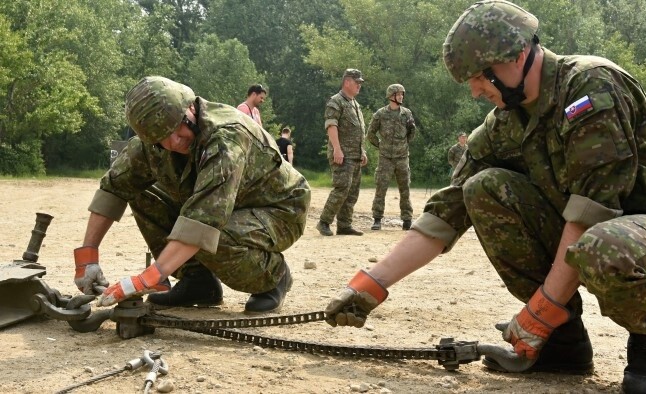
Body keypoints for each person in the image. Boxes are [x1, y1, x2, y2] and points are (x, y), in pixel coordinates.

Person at [323, 1, 646, 393]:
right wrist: (370, 285)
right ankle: (563, 344)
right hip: (602, 239)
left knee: (607, 243)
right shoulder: (508, 118)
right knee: (482, 189)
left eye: (479, 77)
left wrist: (540, 312)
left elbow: (592, 213)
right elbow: (447, 211)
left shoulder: (591, 88)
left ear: (518, 55)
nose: (475, 91)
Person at [73, 76, 310, 315]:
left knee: (213, 237)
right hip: (224, 207)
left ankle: (273, 277)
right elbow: (113, 188)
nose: (173, 142)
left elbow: (204, 222)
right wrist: (87, 257)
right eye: (161, 137)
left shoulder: (226, 137)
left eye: (177, 128)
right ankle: (198, 282)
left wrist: (148, 278)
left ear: (190, 108)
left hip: (279, 209)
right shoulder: (153, 142)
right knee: (142, 193)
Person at [316, 68, 368, 237]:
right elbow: (332, 126)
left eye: (360, 82)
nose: (359, 85)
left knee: (352, 191)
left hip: (355, 155)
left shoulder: (355, 104)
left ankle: (345, 225)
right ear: (347, 82)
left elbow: (359, 131)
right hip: (342, 155)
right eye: (357, 82)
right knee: (341, 189)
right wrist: (337, 149)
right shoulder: (336, 101)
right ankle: (324, 222)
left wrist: (363, 151)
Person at [367, 84, 417, 231]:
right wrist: (381, 146)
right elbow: (370, 133)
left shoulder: (407, 113)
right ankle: (377, 219)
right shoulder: (380, 114)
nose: (401, 96)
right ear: (391, 96)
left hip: (402, 158)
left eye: (402, 94)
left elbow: (412, 132)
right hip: (385, 158)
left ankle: (407, 220)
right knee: (380, 188)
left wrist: (403, 144)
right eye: (398, 94)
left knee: (405, 189)